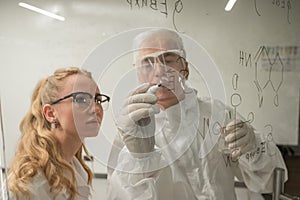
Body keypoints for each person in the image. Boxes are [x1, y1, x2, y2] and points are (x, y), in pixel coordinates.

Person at [106, 29, 288, 200]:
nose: (159, 70)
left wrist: (253, 147)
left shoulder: (218, 114)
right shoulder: (132, 129)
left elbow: (270, 181)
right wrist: (140, 159)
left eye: (168, 60)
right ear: (139, 74)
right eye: (148, 63)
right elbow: (117, 195)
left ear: (185, 69)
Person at [7, 67, 110, 200]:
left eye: (97, 100)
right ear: (50, 113)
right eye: (81, 99)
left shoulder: (77, 170)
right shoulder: (30, 185)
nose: (96, 109)